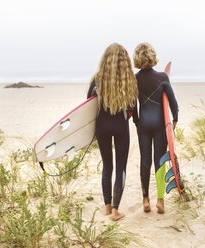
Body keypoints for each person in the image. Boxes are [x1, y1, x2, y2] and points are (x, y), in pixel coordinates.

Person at [87, 43, 138, 221]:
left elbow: (88, 104)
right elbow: (132, 107)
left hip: (102, 126)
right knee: (120, 167)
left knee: (107, 165)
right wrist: (129, 118)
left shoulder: (97, 79)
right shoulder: (129, 79)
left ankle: (107, 206)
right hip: (121, 126)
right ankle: (116, 210)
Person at [132, 42, 178, 214]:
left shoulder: (134, 79)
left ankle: (145, 199)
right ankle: (160, 200)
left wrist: (137, 121)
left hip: (143, 124)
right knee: (159, 159)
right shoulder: (163, 78)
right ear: (152, 56)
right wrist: (175, 120)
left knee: (145, 159)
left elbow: (132, 104)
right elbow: (173, 102)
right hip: (160, 125)